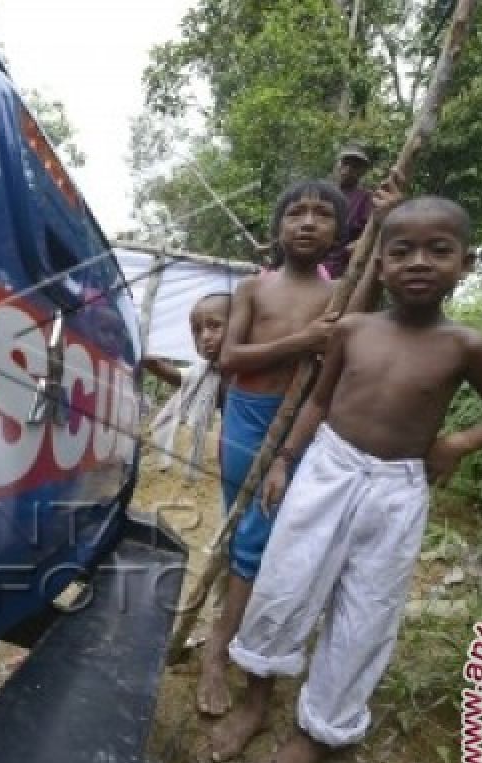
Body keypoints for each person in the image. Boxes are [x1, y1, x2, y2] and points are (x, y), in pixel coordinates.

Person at [211, 196, 482, 763]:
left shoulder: (467, 347)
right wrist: (284, 460)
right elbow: (320, 402)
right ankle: (256, 700)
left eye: (439, 250)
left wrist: (457, 442)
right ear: (378, 263)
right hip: (327, 470)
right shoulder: (354, 328)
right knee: (286, 581)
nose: (419, 262)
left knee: (366, 611)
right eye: (401, 249)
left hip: (398, 488)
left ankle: (315, 733)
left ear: (466, 263)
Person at [193, 179, 348, 719]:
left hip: (298, 427)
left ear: (339, 231)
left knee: (260, 537)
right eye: (296, 213)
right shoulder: (253, 290)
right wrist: (301, 342)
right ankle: (220, 643)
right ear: (278, 228)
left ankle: (226, 643)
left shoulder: (341, 297)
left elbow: (335, 375)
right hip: (245, 418)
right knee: (240, 526)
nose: (307, 222)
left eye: (322, 214)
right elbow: (230, 356)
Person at [143, 292, 231, 482]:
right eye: (197, 330)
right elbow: (182, 378)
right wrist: (152, 363)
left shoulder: (249, 372)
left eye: (214, 326)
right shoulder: (207, 371)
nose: (205, 336)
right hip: (229, 450)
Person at [321, 144, 375, 279]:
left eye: (355, 165)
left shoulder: (366, 197)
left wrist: (358, 244)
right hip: (315, 262)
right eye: (345, 163)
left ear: (362, 171)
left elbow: (373, 230)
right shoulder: (323, 192)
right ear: (337, 165)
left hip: (344, 268)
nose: (349, 168)